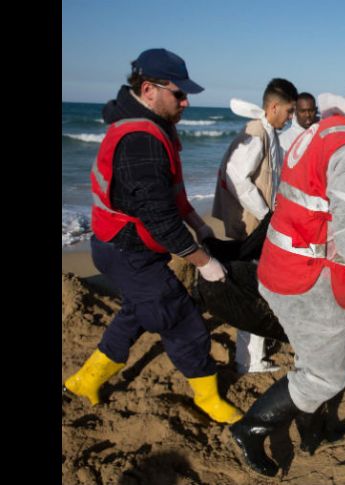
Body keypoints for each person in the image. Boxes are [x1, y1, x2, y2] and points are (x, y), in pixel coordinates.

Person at [228, 69, 345, 476]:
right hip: (307, 276)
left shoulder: (323, 129)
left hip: (281, 262)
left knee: (323, 357)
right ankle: (250, 427)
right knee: (326, 375)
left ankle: (314, 435)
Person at [63, 48, 242, 424]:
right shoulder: (140, 139)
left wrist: (199, 222)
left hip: (120, 244)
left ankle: (85, 380)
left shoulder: (154, 125)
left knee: (135, 311)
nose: (186, 101)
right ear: (149, 90)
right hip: (126, 248)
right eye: (179, 93)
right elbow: (159, 218)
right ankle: (208, 399)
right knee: (180, 318)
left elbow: (170, 193)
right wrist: (204, 262)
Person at [212, 78, 298, 374]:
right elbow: (237, 176)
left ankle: (252, 355)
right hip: (251, 226)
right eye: (288, 111)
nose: (290, 118)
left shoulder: (269, 132)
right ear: (273, 107)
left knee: (260, 287)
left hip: (259, 224)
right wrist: (264, 215)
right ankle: (248, 359)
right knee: (256, 289)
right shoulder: (257, 131)